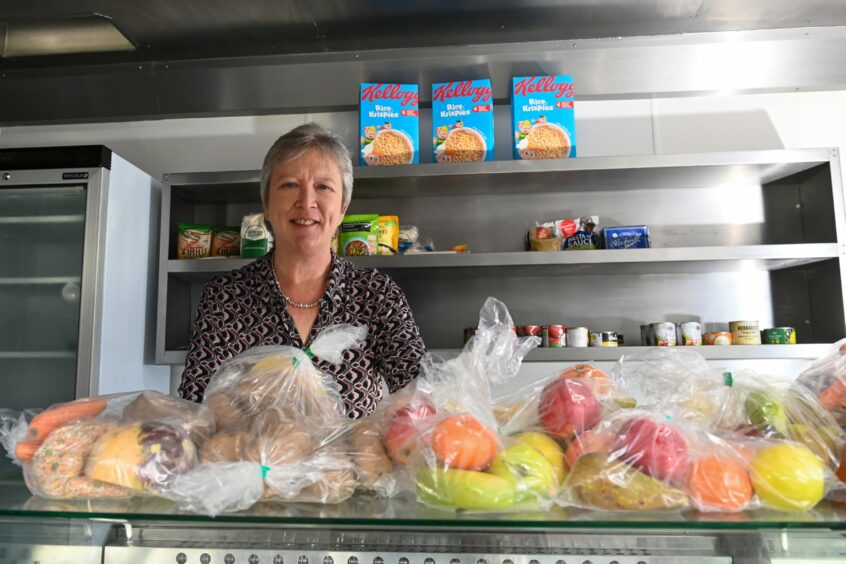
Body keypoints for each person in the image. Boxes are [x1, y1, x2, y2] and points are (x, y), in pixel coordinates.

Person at [178, 123, 426, 417]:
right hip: (246, 461)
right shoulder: (225, 297)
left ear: (343, 207)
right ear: (267, 205)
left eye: (323, 187)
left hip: (351, 463)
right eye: (289, 185)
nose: (307, 202)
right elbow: (195, 407)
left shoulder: (376, 294)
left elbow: (419, 391)